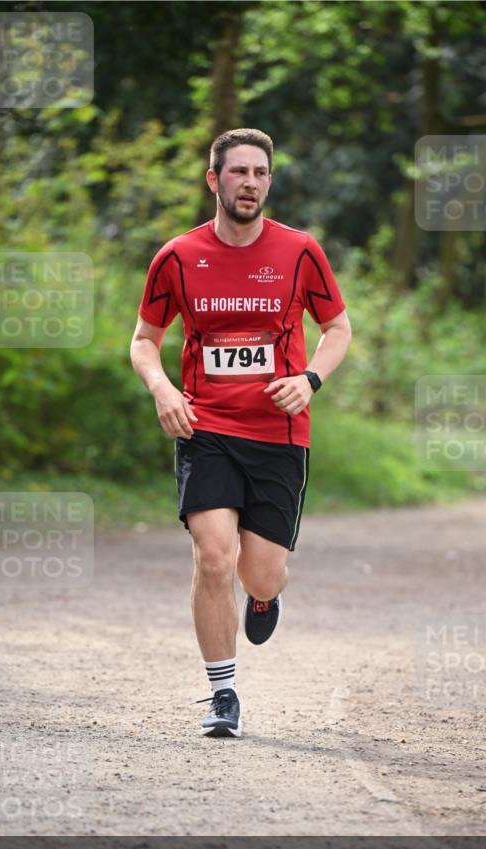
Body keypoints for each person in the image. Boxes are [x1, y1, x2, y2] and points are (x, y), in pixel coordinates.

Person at [130, 128, 351, 738]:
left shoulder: (301, 252)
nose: (249, 183)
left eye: (259, 173)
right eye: (237, 173)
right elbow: (144, 340)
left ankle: (263, 596)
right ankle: (222, 693)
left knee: (260, 572)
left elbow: (338, 329)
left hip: (280, 434)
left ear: (269, 181)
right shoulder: (176, 257)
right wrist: (163, 389)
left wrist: (309, 379)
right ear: (214, 180)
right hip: (206, 426)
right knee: (212, 556)